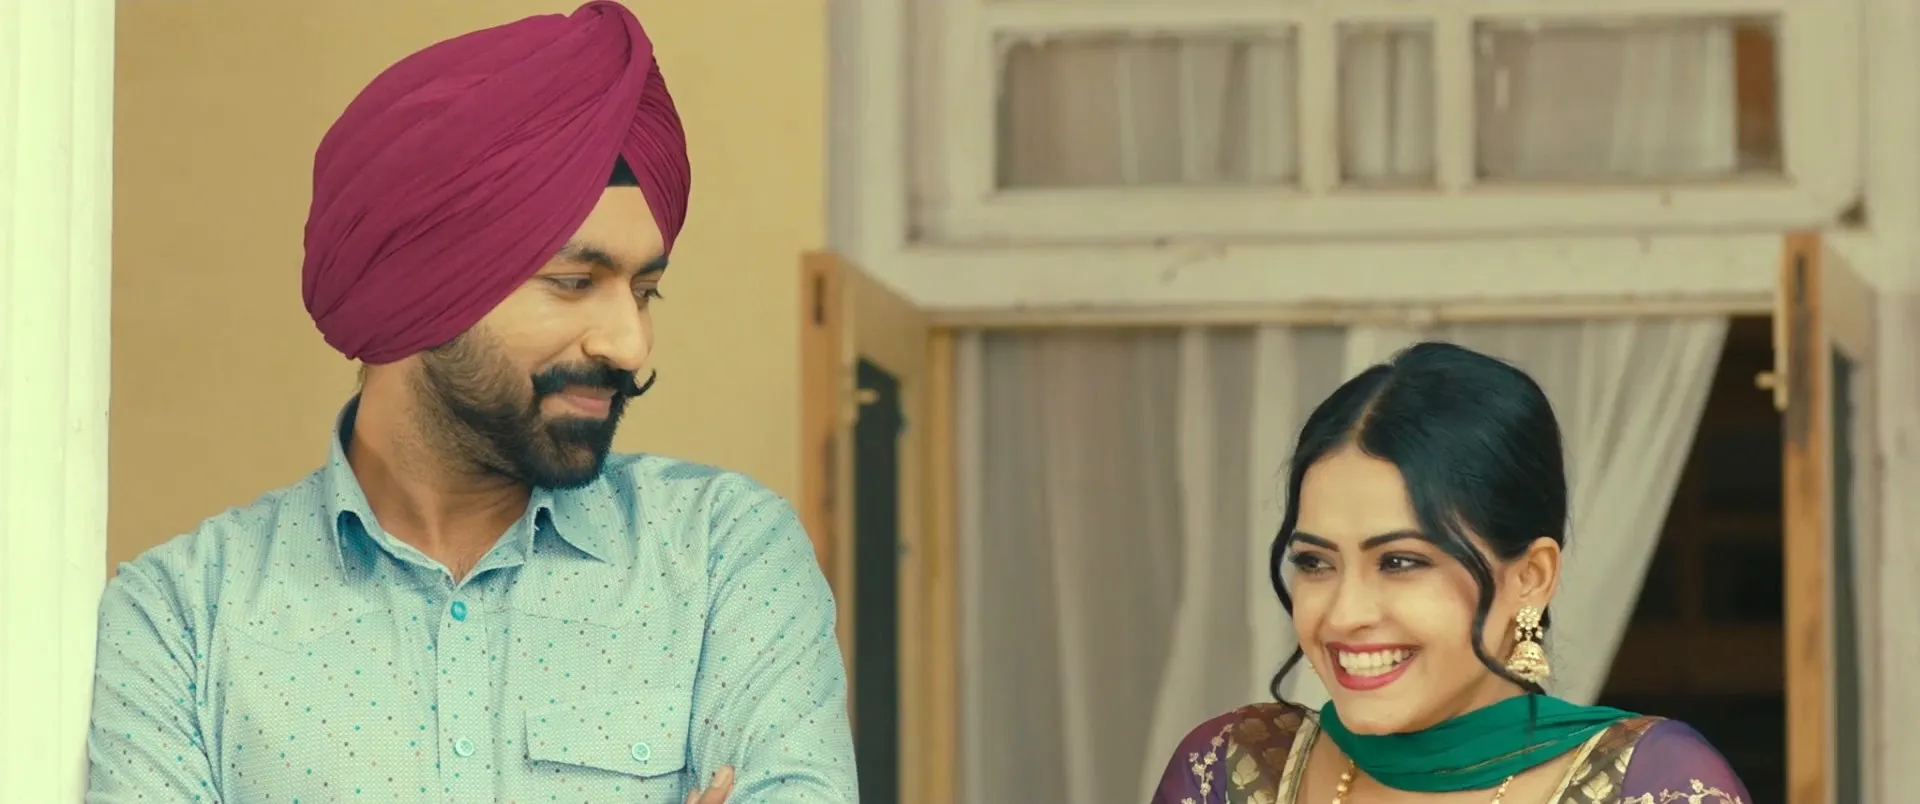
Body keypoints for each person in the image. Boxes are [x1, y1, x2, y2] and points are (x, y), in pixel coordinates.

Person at [85, 4, 857, 803]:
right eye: (574, 282)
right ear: (421, 288)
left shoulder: (721, 558)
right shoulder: (183, 618)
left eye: (645, 291)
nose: (630, 346)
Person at [1150, 342, 1749, 804]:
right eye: (1316, 562)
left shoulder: (1650, 787)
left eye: (1400, 562)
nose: (1345, 614)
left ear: (1531, 577)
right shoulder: (1235, 775)